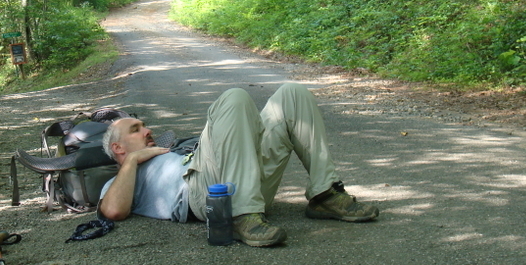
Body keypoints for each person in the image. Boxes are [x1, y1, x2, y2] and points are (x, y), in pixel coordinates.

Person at [98, 83, 379, 247]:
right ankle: (241, 216)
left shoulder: (165, 153)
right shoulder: (122, 178)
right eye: (136, 129)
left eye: (145, 126)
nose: (147, 131)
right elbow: (112, 211)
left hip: (243, 181)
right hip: (206, 197)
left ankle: (325, 193)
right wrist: (133, 161)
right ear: (117, 148)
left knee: (292, 93)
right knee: (234, 97)